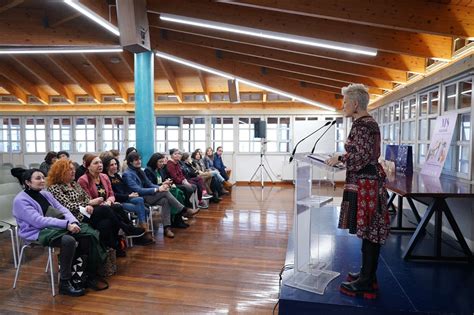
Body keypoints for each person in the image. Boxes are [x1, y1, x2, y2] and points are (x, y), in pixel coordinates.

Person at [325, 83, 390, 299]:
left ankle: (367, 280)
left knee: (370, 230)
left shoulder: (363, 125)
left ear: (354, 104)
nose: (343, 106)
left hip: (367, 184)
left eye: (344, 102)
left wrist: (340, 158)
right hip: (366, 181)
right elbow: (363, 154)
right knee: (368, 231)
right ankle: (366, 275)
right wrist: (341, 161)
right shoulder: (364, 122)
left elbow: (361, 156)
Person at [12, 169, 107, 296]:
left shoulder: (45, 194)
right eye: (38, 178)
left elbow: (62, 209)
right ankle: (64, 283)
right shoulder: (20, 200)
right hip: (36, 232)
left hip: (53, 227)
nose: (42, 180)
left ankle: (80, 275)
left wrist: (73, 222)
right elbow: (38, 221)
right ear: (28, 182)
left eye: (43, 177)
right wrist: (66, 225)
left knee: (86, 235)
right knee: (69, 240)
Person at [47, 159, 142, 258]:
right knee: (107, 209)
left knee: (107, 222)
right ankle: (126, 228)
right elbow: (66, 205)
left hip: (88, 211)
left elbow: (87, 198)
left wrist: (89, 203)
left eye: (73, 169)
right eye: (70, 169)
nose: (74, 171)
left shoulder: (74, 184)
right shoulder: (55, 188)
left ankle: (112, 248)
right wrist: (87, 204)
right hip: (75, 216)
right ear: (61, 172)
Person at [123, 152, 198, 238]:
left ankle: (167, 228)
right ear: (130, 162)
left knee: (165, 200)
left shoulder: (139, 171)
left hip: (147, 195)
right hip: (138, 197)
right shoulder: (127, 174)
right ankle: (184, 210)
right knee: (165, 192)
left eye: (139, 159)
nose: (139, 161)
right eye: (136, 160)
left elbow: (149, 184)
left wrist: (162, 186)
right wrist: (158, 189)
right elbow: (137, 190)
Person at [102, 156, 154, 244]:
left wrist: (131, 194)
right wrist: (128, 196)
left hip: (126, 198)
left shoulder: (117, 176)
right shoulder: (106, 178)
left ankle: (141, 231)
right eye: (111, 165)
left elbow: (125, 188)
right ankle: (143, 232)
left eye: (115, 164)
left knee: (140, 200)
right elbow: (114, 195)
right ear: (106, 167)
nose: (114, 166)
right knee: (144, 209)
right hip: (119, 201)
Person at [144, 153, 189, 228]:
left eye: (162, 161)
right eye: (160, 162)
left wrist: (167, 182)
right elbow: (149, 185)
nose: (162, 164)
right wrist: (163, 184)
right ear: (154, 161)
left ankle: (168, 226)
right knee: (169, 192)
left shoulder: (160, 170)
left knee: (172, 196)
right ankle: (183, 210)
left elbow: (163, 180)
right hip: (151, 194)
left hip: (160, 193)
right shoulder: (148, 171)